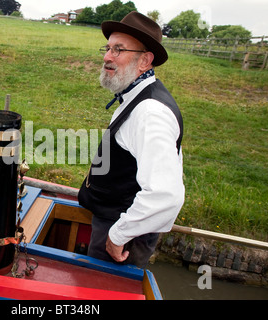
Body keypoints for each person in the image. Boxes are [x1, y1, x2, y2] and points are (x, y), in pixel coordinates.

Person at [78, 11, 184, 269]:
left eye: (118, 50)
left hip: (123, 237)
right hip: (116, 223)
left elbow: (165, 195)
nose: (106, 57)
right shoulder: (136, 96)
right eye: (107, 49)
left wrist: (118, 235)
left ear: (145, 60)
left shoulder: (150, 112)